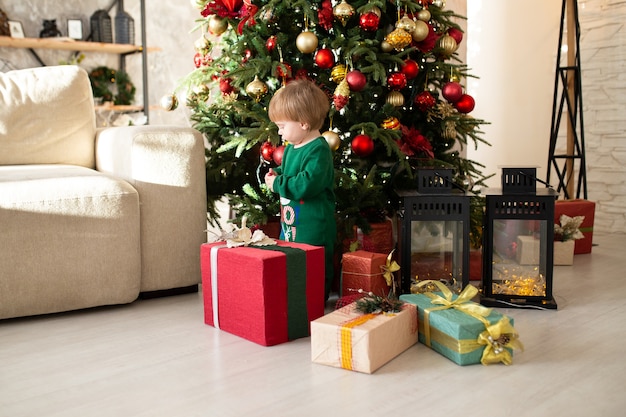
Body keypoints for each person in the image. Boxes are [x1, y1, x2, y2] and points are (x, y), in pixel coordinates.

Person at [264, 78, 336, 301]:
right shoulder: (292, 148)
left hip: (313, 223)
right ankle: (296, 296)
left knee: (314, 259)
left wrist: (278, 184)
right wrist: (277, 175)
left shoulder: (318, 150)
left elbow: (306, 183)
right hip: (292, 220)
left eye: (283, 127)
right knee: (293, 256)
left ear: (303, 123)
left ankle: (316, 298)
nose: (280, 133)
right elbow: (291, 173)